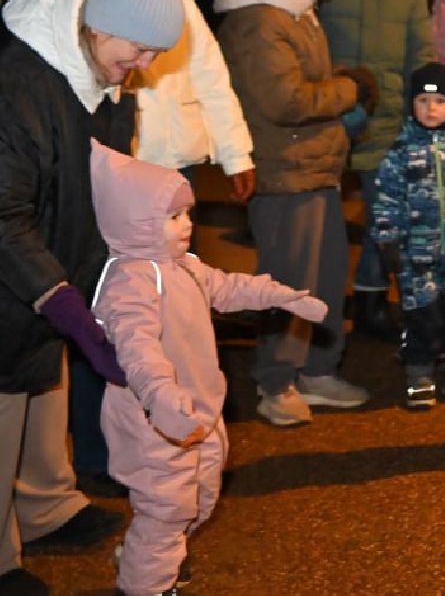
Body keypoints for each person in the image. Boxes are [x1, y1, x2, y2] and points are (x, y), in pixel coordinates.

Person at [47, 0, 258, 495]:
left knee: (182, 301)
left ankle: (190, 412)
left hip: (172, 172)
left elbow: (207, 68)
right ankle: (99, 449)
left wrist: (234, 147)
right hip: (113, 179)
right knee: (113, 308)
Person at [0, 0, 186, 591]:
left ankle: (44, 507)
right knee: (3, 391)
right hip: (12, 266)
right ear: (102, 26)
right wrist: (63, 301)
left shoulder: (99, 72)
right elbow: (4, 213)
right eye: (139, 48)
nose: (144, 65)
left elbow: (100, 182)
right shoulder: (20, 85)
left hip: (49, 262)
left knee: (41, 381)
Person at [88, 143, 327, 596]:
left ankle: (152, 556)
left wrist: (281, 296)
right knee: (166, 507)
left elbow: (227, 287)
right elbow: (137, 349)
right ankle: (147, 585)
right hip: (155, 420)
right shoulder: (130, 280)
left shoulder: (185, 266)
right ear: (134, 222)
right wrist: (162, 398)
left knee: (198, 499)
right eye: (173, 218)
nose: (188, 226)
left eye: (187, 215)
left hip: (201, 410)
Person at [215, 0, 374, 428]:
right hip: (284, 174)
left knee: (324, 276)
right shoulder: (258, 22)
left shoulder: (292, 10)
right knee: (289, 280)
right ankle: (276, 381)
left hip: (314, 168)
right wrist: (349, 90)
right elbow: (285, 101)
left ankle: (316, 371)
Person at [319, 0, 435, 340]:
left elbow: (420, 50)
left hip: (384, 117)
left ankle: (369, 300)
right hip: (327, 111)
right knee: (322, 221)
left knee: (384, 215)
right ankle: (317, 309)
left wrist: (425, 106)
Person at [370, 62, 445, 410]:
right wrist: (387, 238)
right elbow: (386, 198)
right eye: (422, 101)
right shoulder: (401, 152)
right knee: (422, 312)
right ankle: (419, 373)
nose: (431, 110)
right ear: (411, 105)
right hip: (416, 254)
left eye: (440, 102)